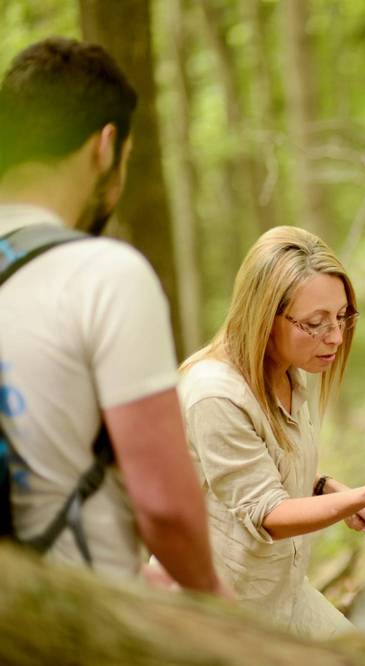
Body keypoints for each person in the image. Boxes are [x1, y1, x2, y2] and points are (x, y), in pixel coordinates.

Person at [0, 37, 225, 595]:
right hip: (78, 621)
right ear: (105, 147)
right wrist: (215, 603)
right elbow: (165, 509)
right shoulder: (104, 275)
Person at [178, 225, 365, 640]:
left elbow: (269, 469)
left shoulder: (292, 371)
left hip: (285, 594)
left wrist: (327, 489)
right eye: (316, 322)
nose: (336, 337)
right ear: (264, 316)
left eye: (342, 317)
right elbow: (267, 515)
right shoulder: (214, 395)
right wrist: (364, 496)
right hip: (224, 614)